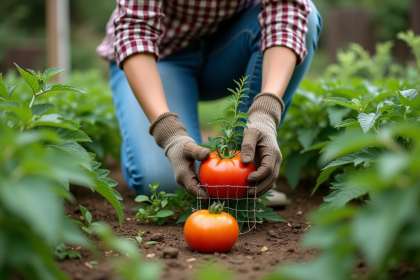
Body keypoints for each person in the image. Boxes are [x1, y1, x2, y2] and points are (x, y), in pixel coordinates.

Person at [97, 0, 322, 206]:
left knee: (307, 18)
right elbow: (135, 30)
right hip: (162, 56)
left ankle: (245, 170)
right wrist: (168, 133)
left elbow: (287, 9)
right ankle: (139, 131)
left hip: (232, 45)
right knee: (166, 184)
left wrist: (266, 113)